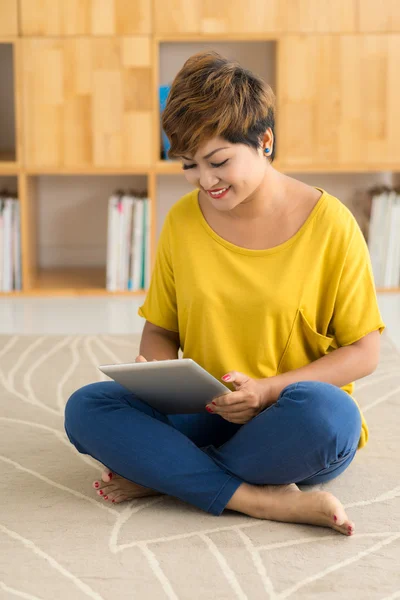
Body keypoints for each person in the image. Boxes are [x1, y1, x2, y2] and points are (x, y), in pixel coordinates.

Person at [64, 51, 386, 536]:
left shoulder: (332, 225)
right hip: (205, 411)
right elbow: (160, 328)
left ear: (265, 141)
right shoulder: (182, 222)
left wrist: (267, 391)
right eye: (189, 165)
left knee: (331, 416)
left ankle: (169, 473)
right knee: (88, 408)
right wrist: (154, 373)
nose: (205, 180)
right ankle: (263, 501)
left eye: (218, 162)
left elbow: (364, 352)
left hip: (287, 423)